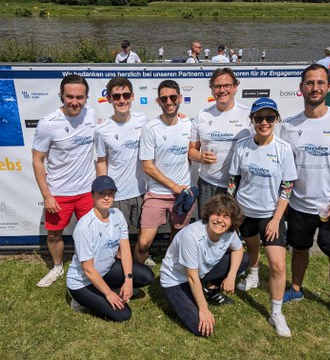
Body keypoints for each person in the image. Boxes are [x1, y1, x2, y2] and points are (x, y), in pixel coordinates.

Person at [279, 64, 330, 327]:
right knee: (300, 250)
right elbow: (283, 168)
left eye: (320, 83)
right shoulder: (289, 126)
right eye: (309, 83)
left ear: (328, 87)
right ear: (301, 88)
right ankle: (296, 287)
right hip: (300, 206)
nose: (314, 88)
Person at [228, 97, 297, 337]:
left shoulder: (283, 149)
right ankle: (254, 275)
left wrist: (277, 219)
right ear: (253, 121)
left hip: (270, 215)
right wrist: (232, 210)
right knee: (252, 246)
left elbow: (287, 187)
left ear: (276, 120)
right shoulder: (243, 146)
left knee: (278, 265)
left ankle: (276, 312)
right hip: (245, 211)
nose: (264, 122)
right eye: (259, 118)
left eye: (269, 118)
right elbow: (233, 181)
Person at [32, 74, 96, 288]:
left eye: (80, 97)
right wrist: (47, 195)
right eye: (70, 96)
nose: (75, 102)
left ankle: (87, 265)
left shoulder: (92, 115)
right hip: (59, 193)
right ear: (61, 95)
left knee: (90, 233)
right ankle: (57, 267)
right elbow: (37, 160)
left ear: (87, 97)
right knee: (54, 234)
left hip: (88, 190)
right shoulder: (47, 124)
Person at [66, 176, 155, 321]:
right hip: (83, 281)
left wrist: (128, 280)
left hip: (105, 271)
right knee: (123, 314)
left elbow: (125, 250)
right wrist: (109, 294)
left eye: (111, 193)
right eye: (101, 193)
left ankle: (108, 288)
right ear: (92, 195)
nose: (107, 198)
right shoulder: (84, 227)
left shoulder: (117, 215)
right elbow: (88, 269)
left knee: (147, 276)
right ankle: (79, 298)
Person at [160, 194, 249, 337]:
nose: (220, 220)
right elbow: (192, 277)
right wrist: (204, 309)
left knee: (244, 260)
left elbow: (238, 249)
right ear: (208, 215)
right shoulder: (191, 236)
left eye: (226, 216)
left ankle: (210, 288)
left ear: (232, 221)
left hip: (200, 272)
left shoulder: (230, 233)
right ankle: (180, 299)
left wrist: (231, 276)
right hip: (176, 279)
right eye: (217, 214)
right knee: (201, 329)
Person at [134, 80, 194, 267]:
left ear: (180, 99)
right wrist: (173, 186)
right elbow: (147, 166)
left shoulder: (189, 124)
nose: (169, 102)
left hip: (183, 194)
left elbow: (194, 151)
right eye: (164, 98)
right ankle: (136, 276)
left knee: (178, 234)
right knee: (144, 242)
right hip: (157, 194)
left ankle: (170, 265)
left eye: (173, 97)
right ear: (158, 101)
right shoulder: (150, 128)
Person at [188, 68, 251, 211]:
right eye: (217, 86)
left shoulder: (248, 114)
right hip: (208, 184)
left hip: (241, 184)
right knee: (207, 228)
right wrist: (201, 157)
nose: (222, 90)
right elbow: (191, 150)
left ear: (235, 87)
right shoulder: (202, 115)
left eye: (226, 85)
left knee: (236, 227)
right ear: (212, 90)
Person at [95, 77, 148, 233]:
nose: (122, 100)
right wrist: (103, 193)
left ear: (132, 96)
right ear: (109, 99)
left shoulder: (143, 120)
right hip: (117, 194)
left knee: (143, 233)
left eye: (126, 95)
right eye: (116, 96)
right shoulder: (102, 130)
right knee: (117, 234)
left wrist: (180, 118)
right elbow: (101, 162)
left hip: (142, 191)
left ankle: (142, 258)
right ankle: (120, 258)